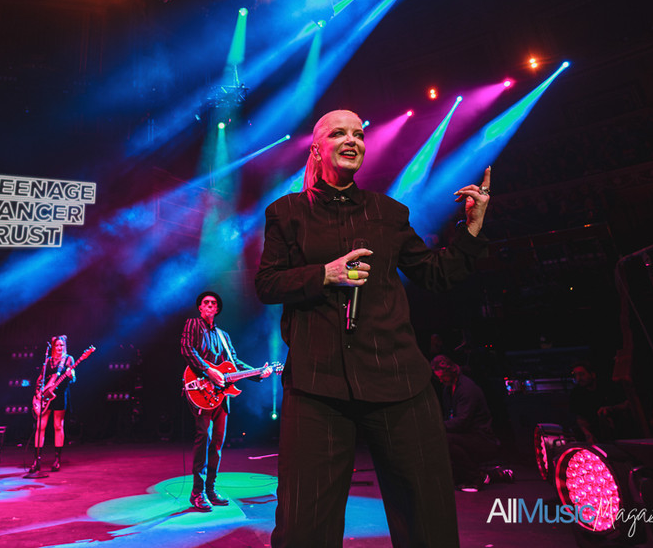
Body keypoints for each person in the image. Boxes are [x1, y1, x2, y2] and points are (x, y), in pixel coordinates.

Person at [255, 109, 490, 548]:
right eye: (338, 133)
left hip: (398, 381)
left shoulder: (388, 212)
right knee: (304, 526)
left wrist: (471, 230)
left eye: (359, 134)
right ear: (316, 149)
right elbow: (267, 284)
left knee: (427, 517)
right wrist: (324, 274)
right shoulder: (286, 213)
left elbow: (435, 274)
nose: (352, 140)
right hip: (318, 385)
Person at [180, 290, 272, 512]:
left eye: (214, 303)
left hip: (220, 396)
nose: (210, 305)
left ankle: (210, 489)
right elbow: (187, 349)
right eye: (206, 302)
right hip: (200, 389)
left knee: (217, 443)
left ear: (218, 309)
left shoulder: (223, 335)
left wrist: (258, 373)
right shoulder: (193, 325)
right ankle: (197, 492)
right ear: (200, 307)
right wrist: (208, 370)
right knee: (204, 437)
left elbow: (234, 363)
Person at [431, 355, 511, 492]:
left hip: (482, 438)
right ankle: (488, 474)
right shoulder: (448, 390)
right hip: (467, 436)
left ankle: (475, 479)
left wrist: (437, 427)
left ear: (451, 371)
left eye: (443, 377)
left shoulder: (467, 389)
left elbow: (463, 422)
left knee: (445, 439)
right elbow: (450, 417)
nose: (441, 380)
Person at [28, 334, 75, 474]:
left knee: (58, 426)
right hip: (45, 396)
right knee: (40, 427)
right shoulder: (48, 361)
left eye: (62, 345)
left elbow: (73, 377)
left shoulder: (68, 359)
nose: (59, 347)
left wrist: (71, 375)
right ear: (53, 347)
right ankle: (37, 460)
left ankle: (57, 459)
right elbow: (40, 379)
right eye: (57, 345)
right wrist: (38, 392)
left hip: (60, 395)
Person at [568, 360, 634, 444]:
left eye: (581, 374)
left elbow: (627, 404)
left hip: (621, 430)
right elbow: (580, 418)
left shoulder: (608, 386)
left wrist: (610, 409)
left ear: (593, 374)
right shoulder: (576, 393)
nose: (578, 379)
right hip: (596, 434)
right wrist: (588, 435)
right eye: (575, 376)